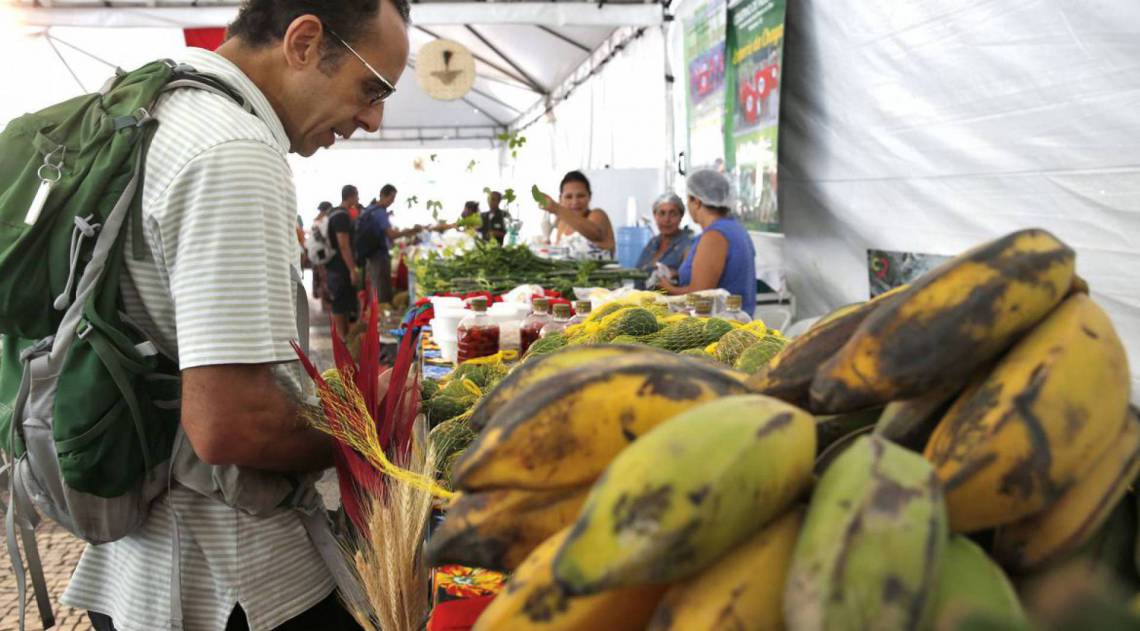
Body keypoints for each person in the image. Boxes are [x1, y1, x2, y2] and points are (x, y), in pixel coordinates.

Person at [60, 1, 410, 630]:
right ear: (303, 41)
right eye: (371, 88)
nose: (374, 119)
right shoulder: (234, 151)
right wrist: (377, 420)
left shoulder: (152, 107)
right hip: (225, 581)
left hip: (134, 563)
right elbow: (230, 426)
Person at [660, 169, 758, 315]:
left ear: (697, 202)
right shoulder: (734, 227)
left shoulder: (715, 236)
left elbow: (700, 295)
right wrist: (678, 276)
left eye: (688, 199)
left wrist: (667, 288)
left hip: (722, 328)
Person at [360, 183, 419, 306]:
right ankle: (381, 316)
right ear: (382, 195)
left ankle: (376, 314)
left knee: (375, 285)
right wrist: (408, 232)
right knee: (381, 288)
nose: (392, 202)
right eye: (391, 198)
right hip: (379, 255)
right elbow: (391, 235)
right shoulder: (380, 213)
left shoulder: (370, 209)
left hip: (370, 254)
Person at [538, 170, 615, 259]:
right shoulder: (562, 224)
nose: (575, 202)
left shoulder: (597, 214)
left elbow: (595, 234)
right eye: (568, 197)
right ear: (560, 199)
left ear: (589, 196)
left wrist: (557, 208)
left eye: (581, 196)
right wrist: (546, 246)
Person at [327, 184, 361, 337]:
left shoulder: (334, 212)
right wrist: (352, 269)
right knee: (340, 303)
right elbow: (343, 244)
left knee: (341, 301)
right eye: (357, 195)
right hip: (340, 266)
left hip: (336, 266)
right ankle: (342, 337)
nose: (358, 199)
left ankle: (343, 336)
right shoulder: (341, 215)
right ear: (352, 196)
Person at [635, 193, 694, 277]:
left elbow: (690, 277)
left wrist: (675, 274)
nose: (667, 220)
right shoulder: (653, 242)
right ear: (655, 216)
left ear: (681, 217)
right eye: (662, 213)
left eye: (673, 214)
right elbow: (638, 270)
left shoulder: (688, 244)